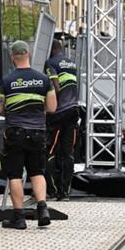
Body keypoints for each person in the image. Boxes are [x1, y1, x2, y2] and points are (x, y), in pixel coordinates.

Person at [0, 40, 57, 229]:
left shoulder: (6, 81)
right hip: (38, 132)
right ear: (28, 54)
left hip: (15, 133)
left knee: (14, 174)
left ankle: (19, 218)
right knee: (37, 172)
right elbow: (53, 107)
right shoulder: (44, 80)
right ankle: (43, 209)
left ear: (13, 58)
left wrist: (12, 111)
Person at [44, 39, 79, 200]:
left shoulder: (50, 63)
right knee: (68, 153)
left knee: (49, 150)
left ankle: (53, 190)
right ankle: (65, 192)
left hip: (58, 113)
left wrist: (46, 105)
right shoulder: (72, 63)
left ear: (51, 49)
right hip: (73, 111)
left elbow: (55, 87)